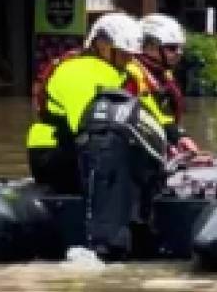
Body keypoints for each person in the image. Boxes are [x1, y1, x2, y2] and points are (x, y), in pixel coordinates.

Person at [25, 12, 143, 192]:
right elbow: (86, 124)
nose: (130, 59)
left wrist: (174, 137)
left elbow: (145, 111)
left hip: (88, 146)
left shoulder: (123, 72)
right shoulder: (77, 71)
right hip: (56, 149)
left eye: (131, 55)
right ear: (102, 45)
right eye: (125, 54)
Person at [135, 14, 199, 155]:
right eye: (172, 48)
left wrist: (177, 137)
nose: (179, 53)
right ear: (149, 46)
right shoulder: (133, 74)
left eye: (180, 48)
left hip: (164, 143)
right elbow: (148, 113)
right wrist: (176, 136)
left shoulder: (163, 74)